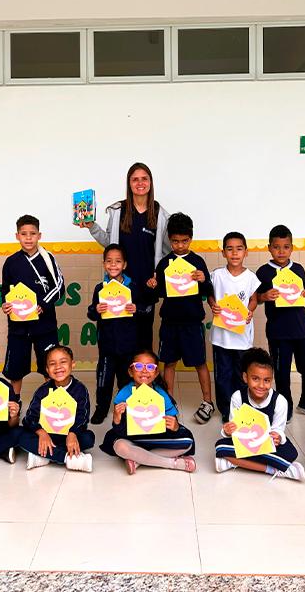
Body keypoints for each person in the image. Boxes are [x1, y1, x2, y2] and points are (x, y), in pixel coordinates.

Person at [82, 162, 170, 350]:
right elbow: (109, 243)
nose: (140, 183)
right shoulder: (117, 211)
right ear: (129, 183)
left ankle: (144, 370)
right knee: (119, 339)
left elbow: (167, 250)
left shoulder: (160, 214)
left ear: (150, 182)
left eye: (144, 179)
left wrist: (158, 274)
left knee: (144, 341)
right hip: (120, 285)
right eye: (135, 179)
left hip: (146, 287)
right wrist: (92, 226)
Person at [148, 212, 215, 424]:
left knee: (200, 363)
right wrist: (153, 285)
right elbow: (160, 293)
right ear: (169, 239)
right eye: (175, 241)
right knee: (168, 363)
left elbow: (208, 290)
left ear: (191, 238)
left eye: (184, 241)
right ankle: (169, 403)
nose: (179, 245)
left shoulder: (197, 261)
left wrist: (203, 280)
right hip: (170, 322)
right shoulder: (164, 263)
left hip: (192, 323)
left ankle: (208, 401)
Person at [256, 224, 305, 422]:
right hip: (279, 332)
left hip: (302, 328)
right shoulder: (263, 272)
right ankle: (284, 408)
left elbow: (303, 292)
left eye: (286, 247)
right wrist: (264, 296)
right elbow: (256, 299)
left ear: (291, 248)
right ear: (269, 248)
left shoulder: (298, 269)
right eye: (276, 247)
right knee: (282, 371)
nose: (281, 251)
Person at [215, 348, 305, 481]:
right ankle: (275, 469)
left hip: (268, 445)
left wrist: (278, 437)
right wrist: (228, 430)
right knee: (220, 447)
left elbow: (278, 430)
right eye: (255, 379)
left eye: (267, 380)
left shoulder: (279, 401)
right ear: (245, 377)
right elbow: (235, 429)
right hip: (245, 442)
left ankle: (234, 462)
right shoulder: (238, 397)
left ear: (272, 379)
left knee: (290, 453)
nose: (261, 385)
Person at [100, 350, 196, 474]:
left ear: (156, 373)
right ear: (130, 371)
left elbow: (172, 424)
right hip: (132, 439)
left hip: (157, 438)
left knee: (187, 442)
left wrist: (175, 426)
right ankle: (172, 464)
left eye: (150, 367)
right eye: (139, 366)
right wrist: (117, 419)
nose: (144, 371)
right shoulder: (123, 394)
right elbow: (119, 430)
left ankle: (138, 460)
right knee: (120, 446)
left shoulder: (161, 394)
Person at [1, 214, 65, 398]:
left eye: (32, 233)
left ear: (39, 235)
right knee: (15, 368)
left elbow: (60, 287)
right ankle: (15, 401)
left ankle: (52, 400)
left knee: (50, 365)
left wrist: (43, 304)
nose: (28, 238)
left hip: (45, 326)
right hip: (18, 326)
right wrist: (5, 304)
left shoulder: (48, 259)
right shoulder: (11, 262)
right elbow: (5, 289)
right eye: (24, 234)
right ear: (17, 236)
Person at [208, 232, 260, 423]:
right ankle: (226, 409)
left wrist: (250, 311)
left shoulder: (250, 277)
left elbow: (254, 299)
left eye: (239, 249)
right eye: (229, 249)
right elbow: (210, 295)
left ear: (246, 252)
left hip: (242, 337)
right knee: (223, 375)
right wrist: (212, 305)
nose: (234, 253)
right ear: (223, 253)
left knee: (241, 375)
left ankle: (242, 408)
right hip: (221, 337)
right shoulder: (217, 275)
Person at [19, 345, 95, 472]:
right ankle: (66, 458)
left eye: (63, 362)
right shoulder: (42, 390)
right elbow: (29, 418)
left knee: (88, 438)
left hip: (69, 436)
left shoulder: (80, 390)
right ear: (47, 369)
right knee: (21, 436)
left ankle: (44, 456)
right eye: (52, 364)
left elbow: (83, 417)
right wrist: (41, 433)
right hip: (47, 436)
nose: (58, 367)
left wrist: (73, 433)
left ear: (73, 364)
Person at [87, 243, 138, 424]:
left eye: (118, 261)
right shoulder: (99, 288)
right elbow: (91, 313)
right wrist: (96, 309)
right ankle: (101, 409)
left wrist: (136, 309)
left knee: (126, 379)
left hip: (128, 345)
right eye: (109, 261)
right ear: (104, 264)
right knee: (104, 380)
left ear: (124, 264)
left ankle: (125, 409)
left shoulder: (133, 287)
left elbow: (145, 310)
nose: (113, 265)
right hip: (107, 346)